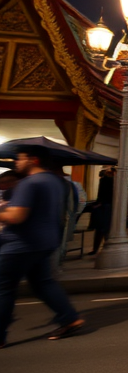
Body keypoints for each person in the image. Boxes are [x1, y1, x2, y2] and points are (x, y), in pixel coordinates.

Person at [0, 146, 85, 347]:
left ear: (34, 160)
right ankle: (69, 318)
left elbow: (16, 216)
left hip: (20, 244)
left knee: (3, 288)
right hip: (44, 241)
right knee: (43, 283)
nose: (16, 163)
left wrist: (3, 211)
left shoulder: (29, 183)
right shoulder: (54, 181)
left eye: (20, 159)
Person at [86, 167, 114, 255]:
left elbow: (101, 195)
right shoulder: (113, 181)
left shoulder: (104, 181)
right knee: (105, 229)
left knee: (101, 229)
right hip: (108, 206)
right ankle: (106, 248)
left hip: (104, 207)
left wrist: (98, 203)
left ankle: (97, 248)